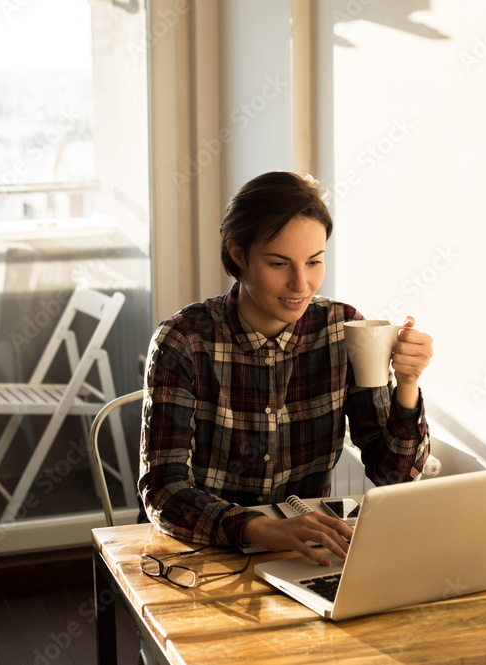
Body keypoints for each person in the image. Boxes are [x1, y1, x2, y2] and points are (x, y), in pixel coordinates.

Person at [138, 171, 433, 565]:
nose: (301, 284)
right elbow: (163, 490)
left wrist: (408, 386)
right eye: (279, 263)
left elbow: (393, 477)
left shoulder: (343, 329)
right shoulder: (184, 340)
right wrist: (259, 528)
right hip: (202, 552)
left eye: (314, 262)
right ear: (238, 254)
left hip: (309, 553)